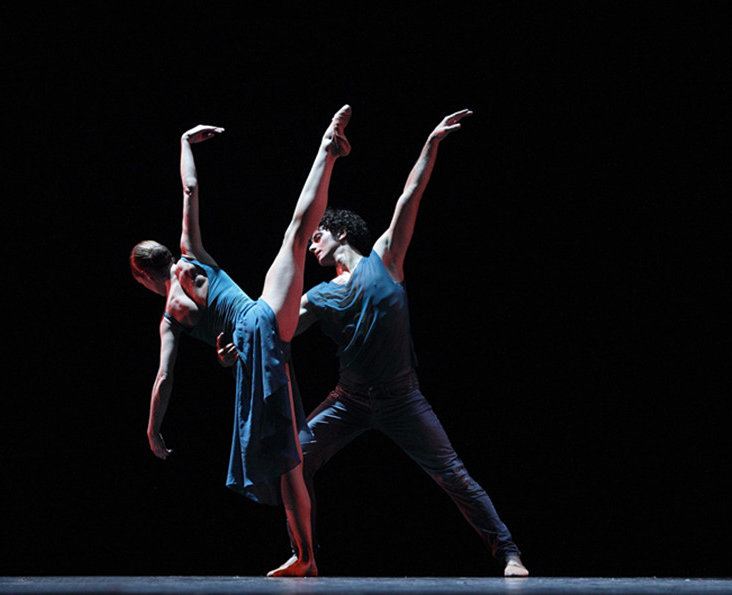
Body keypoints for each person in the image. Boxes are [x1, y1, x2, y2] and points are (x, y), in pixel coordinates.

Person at [219, 109, 530, 577]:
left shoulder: (386, 258)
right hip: (350, 399)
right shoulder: (318, 296)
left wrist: (430, 144)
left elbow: (410, 196)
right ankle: (305, 556)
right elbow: (274, 329)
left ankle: (508, 552)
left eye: (318, 235)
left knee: (452, 475)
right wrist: (239, 351)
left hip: (402, 396)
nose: (313, 244)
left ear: (340, 232)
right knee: (293, 460)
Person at [130, 105, 352, 578]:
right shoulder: (192, 256)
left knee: (287, 458)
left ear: (143, 275)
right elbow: (190, 189)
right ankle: (327, 151)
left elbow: (165, 375)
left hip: (259, 336)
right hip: (262, 316)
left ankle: (306, 557)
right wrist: (185, 143)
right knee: (296, 234)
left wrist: (153, 429)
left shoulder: (170, 315)